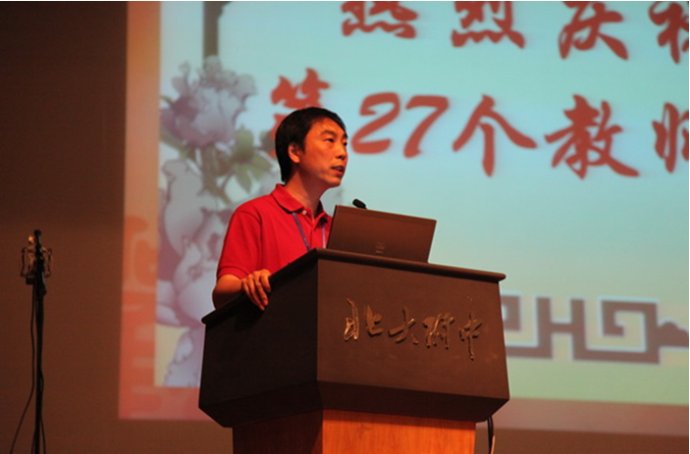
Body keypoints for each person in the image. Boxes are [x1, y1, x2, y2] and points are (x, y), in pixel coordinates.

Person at [212, 107, 348, 310]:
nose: (342, 153)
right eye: (330, 140)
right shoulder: (255, 213)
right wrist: (249, 284)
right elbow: (223, 291)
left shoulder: (334, 229)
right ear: (295, 152)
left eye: (344, 144)